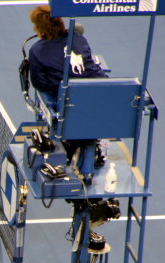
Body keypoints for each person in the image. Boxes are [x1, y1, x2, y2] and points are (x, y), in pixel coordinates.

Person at [28, 5, 107, 181]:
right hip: (99, 101)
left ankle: (74, 146)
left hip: (70, 108)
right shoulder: (79, 39)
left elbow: (40, 83)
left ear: (39, 28)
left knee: (53, 96)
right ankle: (89, 159)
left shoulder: (37, 51)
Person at [29, 5, 107, 99]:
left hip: (71, 98)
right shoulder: (77, 37)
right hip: (101, 90)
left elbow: (41, 85)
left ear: (39, 28)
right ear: (60, 21)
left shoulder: (36, 50)